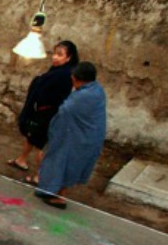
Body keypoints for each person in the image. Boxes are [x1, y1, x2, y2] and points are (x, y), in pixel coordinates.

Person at [35, 61, 107, 210]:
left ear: (75, 79)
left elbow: (62, 115)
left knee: (61, 162)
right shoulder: (97, 90)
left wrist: (49, 140)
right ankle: (53, 191)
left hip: (77, 138)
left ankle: (58, 196)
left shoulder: (80, 99)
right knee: (68, 164)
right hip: (88, 137)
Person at [11, 40, 79, 180]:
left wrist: (39, 82)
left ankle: (40, 176)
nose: (55, 57)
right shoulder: (57, 70)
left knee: (40, 145)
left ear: (69, 57)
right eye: (54, 53)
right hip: (42, 111)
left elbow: (52, 93)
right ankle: (21, 160)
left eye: (60, 55)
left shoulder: (65, 74)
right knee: (31, 136)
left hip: (49, 113)